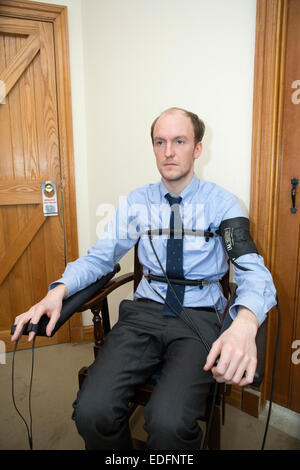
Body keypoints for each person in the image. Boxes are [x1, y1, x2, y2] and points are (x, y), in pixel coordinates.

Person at [11, 107, 276, 450]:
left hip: (200, 319)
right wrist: (57, 292)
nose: (168, 151)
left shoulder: (224, 204)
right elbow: (99, 257)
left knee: (168, 424)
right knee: (92, 412)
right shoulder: (136, 203)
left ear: (197, 148)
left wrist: (246, 320)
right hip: (145, 314)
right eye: (160, 142)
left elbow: (253, 269)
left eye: (179, 141)